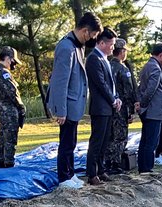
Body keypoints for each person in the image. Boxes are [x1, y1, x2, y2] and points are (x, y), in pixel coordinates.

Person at [48, 12, 102, 184]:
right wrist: (60, 110)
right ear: (85, 31)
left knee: (71, 142)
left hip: (74, 105)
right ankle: (64, 177)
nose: (92, 39)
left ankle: (70, 174)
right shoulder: (66, 47)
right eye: (93, 35)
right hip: (68, 106)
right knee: (66, 143)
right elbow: (60, 81)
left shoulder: (77, 46)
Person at [84, 28, 122, 185]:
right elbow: (100, 83)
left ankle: (101, 169)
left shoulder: (105, 59)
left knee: (105, 140)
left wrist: (116, 98)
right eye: (111, 44)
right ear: (101, 43)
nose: (113, 48)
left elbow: (111, 84)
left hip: (108, 106)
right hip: (100, 107)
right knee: (97, 141)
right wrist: (112, 100)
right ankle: (92, 173)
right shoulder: (94, 59)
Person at [137, 43, 162, 173]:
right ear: (161, 55)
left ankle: (142, 166)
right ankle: (147, 168)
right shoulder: (155, 68)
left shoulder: (147, 66)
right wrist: (143, 104)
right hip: (153, 110)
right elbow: (151, 89)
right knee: (151, 142)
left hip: (148, 110)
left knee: (145, 140)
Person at [0, 46, 26, 169]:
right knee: (10, 138)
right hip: (8, 110)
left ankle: (1, 161)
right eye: (13, 61)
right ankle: (8, 164)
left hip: (1, 109)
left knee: (2, 136)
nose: (14, 65)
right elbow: (12, 92)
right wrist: (21, 107)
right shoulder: (4, 73)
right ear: (7, 59)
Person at [108, 38, 137, 173]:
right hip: (121, 108)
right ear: (122, 52)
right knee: (120, 136)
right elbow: (128, 91)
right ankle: (115, 163)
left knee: (109, 135)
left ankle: (106, 162)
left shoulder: (107, 65)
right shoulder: (122, 69)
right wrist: (131, 110)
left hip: (108, 107)